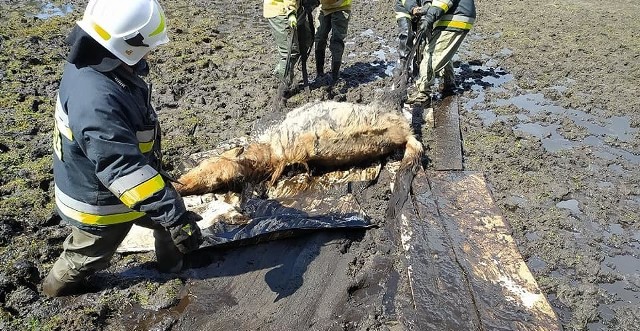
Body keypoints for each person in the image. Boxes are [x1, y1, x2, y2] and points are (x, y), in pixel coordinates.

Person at [43, 0, 203, 297]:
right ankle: (53, 291)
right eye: (146, 46)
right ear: (125, 44)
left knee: (168, 221)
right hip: (99, 203)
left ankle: (176, 270)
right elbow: (122, 168)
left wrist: (171, 210)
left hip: (118, 179)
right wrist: (172, 211)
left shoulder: (94, 57)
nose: (150, 52)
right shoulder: (95, 100)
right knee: (86, 255)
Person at [405, 0, 476, 105]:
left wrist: (429, 19)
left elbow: (442, 1)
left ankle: (423, 92)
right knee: (443, 51)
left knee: (431, 53)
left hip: (455, 18)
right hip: (455, 16)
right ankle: (449, 82)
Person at [263, 0, 317, 91]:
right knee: (290, 50)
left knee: (307, 37)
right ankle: (284, 82)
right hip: (280, 9)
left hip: (296, 6)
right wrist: (291, 12)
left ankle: (283, 71)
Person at [314, 0, 352, 84]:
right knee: (319, 38)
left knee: (337, 41)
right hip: (324, 7)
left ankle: (335, 76)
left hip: (341, 6)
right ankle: (319, 73)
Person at [393, 0, 430, 80]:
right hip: (404, 8)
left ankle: (418, 68)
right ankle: (403, 65)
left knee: (422, 40)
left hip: (422, 11)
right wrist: (413, 8)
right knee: (406, 35)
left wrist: (428, 3)